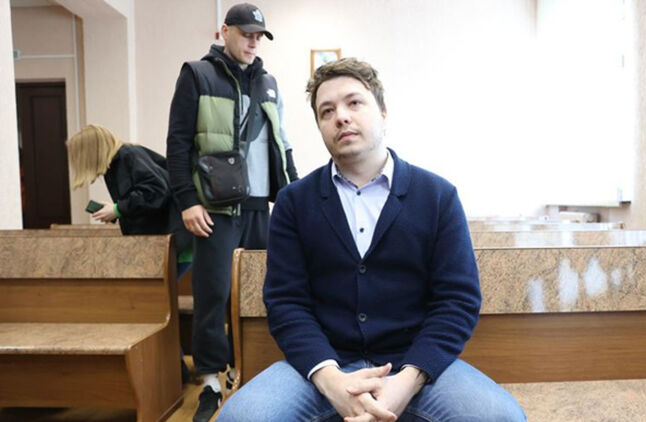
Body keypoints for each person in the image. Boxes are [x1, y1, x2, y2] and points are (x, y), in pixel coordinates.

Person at [217, 58, 525, 421]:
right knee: (238, 418)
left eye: (354, 103)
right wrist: (330, 379)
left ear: (382, 111)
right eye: (327, 111)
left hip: (415, 366)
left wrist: (408, 381)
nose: (341, 117)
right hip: (324, 366)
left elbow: (457, 300)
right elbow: (286, 302)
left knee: (501, 417)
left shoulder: (438, 196)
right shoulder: (293, 202)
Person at [165, 3, 298, 421]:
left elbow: (282, 143)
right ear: (225, 31)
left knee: (261, 295)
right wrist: (188, 200)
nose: (253, 42)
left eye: (259, 36)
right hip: (214, 208)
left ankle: (249, 370)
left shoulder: (269, 83)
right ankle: (209, 379)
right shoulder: (197, 74)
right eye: (246, 33)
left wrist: (295, 196)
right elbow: (177, 143)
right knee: (213, 295)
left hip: (260, 207)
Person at [65, 124, 193, 381]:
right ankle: (176, 372)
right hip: (168, 243)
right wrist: (116, 210)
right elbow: (149, 196)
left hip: (173, 244)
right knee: (155, 307)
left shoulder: (126, 156)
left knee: (154, 308)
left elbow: (157, 191)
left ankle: (175, 373)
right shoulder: (120, 161)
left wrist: (119, 209)